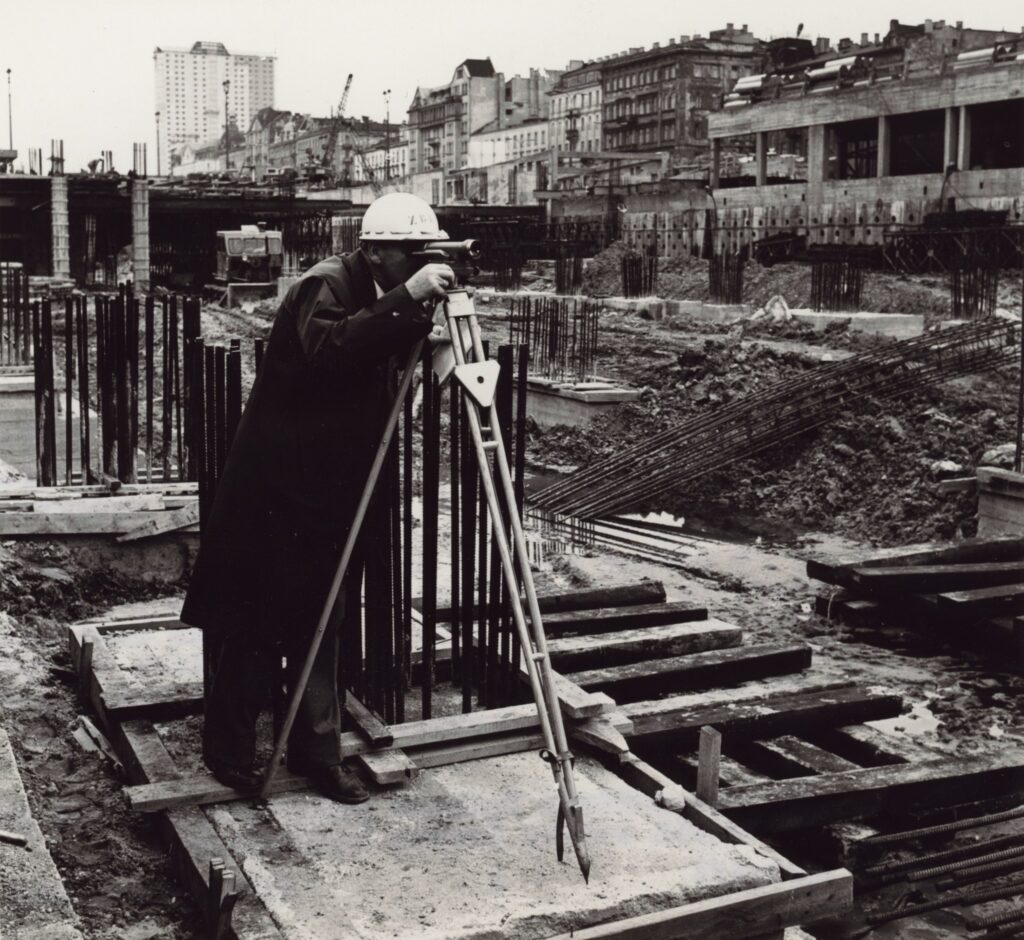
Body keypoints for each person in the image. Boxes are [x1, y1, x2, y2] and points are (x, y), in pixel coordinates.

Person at [181, 193, 455, 802]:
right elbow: (329, 355)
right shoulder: (324, 285)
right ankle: (228, 751)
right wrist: (408, 301)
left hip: (334, 489)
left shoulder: (383, 294)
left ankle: (317, 753)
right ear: (378, 249)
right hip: (281, 491)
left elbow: (378, 375)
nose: (415, 265)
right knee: (258, 621)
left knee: (324, 621)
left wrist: (430, 342)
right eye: (410, 255)